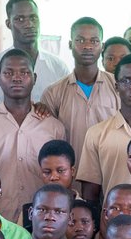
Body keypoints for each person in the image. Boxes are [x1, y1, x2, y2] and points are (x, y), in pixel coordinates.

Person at [0, 49, 67, 223]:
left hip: (43, 222)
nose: (16, 78)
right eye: (9, 73)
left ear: (34, 78)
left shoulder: (53, 127)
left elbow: (62, 180)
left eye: (24, 73)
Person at [42, 18, 120, 156]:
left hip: (110, 171)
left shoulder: (118, 86)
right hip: (72, 173)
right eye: (80, 40)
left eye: (94, 41)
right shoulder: (53, 93)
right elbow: (47, 138)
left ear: (102, 46)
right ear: (70, 44)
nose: (87, 46)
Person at [0, 0, 70, 106]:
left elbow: (65, 109)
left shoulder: (58, 66)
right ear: (8, 24)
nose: (29, 25)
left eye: (33, 18)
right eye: (20, 19)